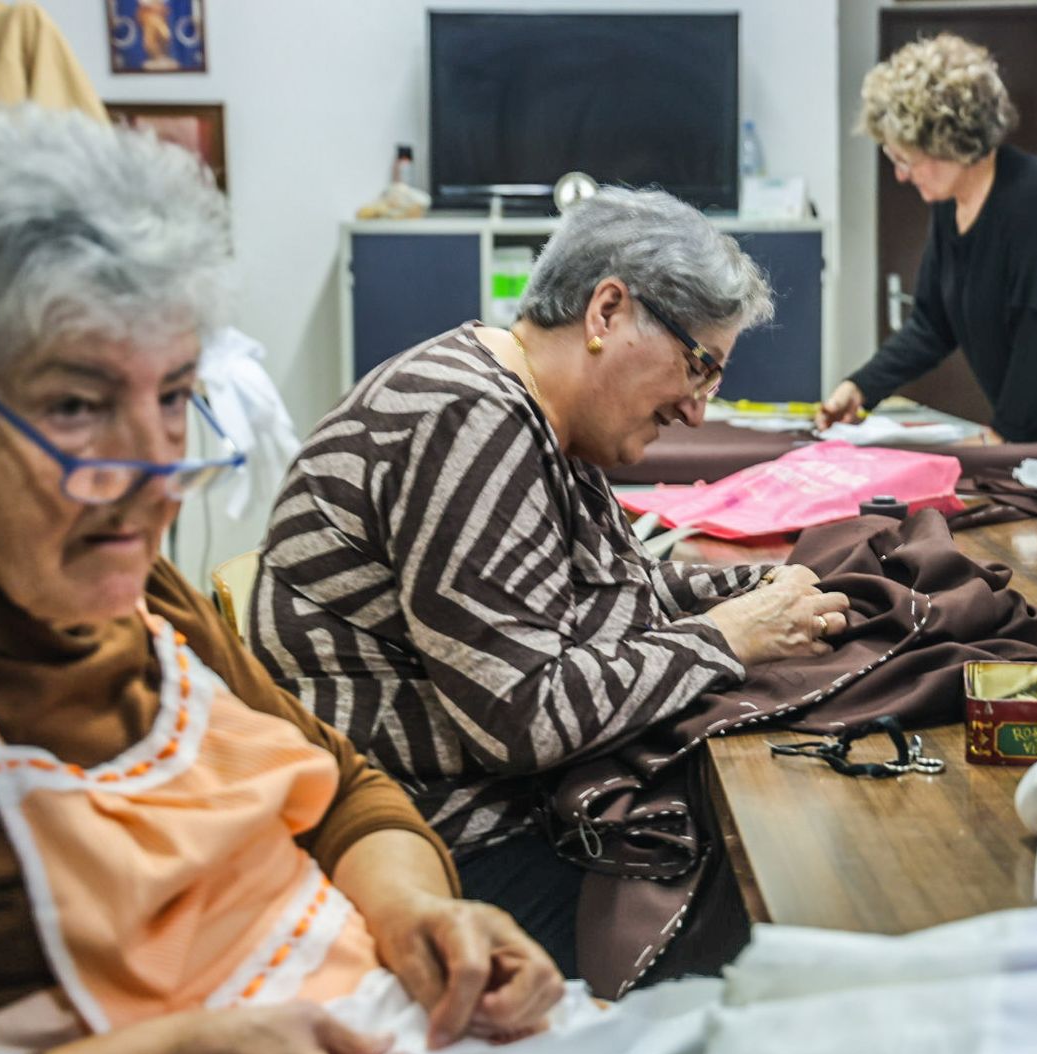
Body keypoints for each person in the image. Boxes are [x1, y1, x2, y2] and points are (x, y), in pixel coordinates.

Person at [0, 104, 563, 1054]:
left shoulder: (107, 567)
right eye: (77, 406)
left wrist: (418, 909)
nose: (154, 474)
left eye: (172, 396)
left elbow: (345, 794)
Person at [253, 187, 852, 978]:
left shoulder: (534, 417)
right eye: (698, 364)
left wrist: (768, 589)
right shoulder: (471, 418)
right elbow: (525, 715)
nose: (700, 409)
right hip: (434, 850)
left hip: (473, 816)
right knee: (782, 916)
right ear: (606, 311)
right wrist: (728, 635)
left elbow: (620, 591)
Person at [818, 33, 1037, 471]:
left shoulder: (1036, 200)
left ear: (948, 143)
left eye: (907, 158)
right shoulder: (950, 205)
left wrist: (1003, 435)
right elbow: (933, 325)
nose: (900, 174)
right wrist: (862, 386)